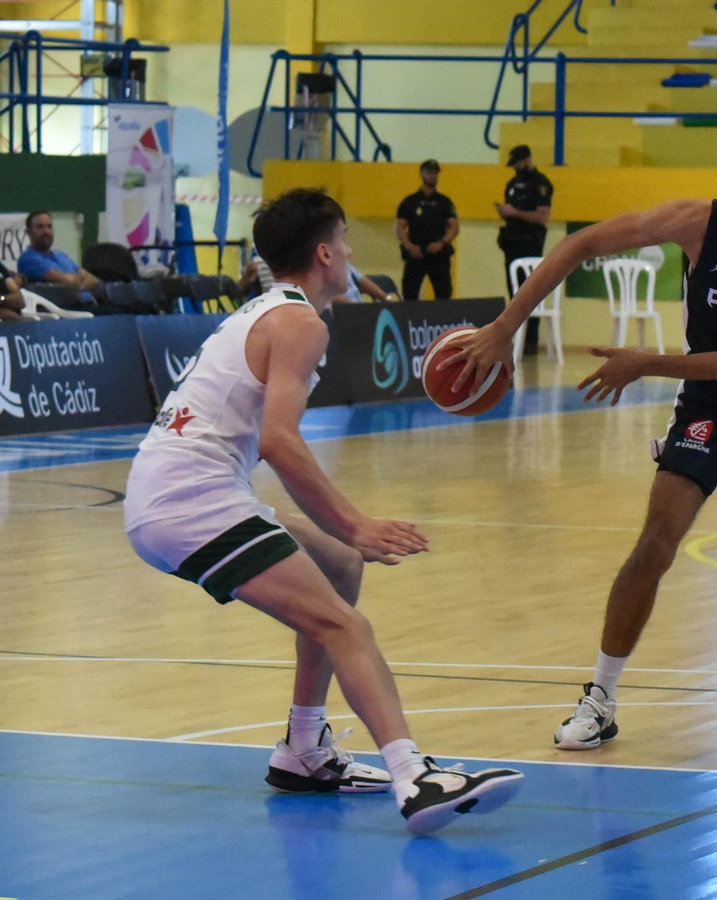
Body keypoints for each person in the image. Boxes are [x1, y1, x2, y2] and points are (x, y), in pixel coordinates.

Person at [444, 102, 717, 750]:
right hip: (709, 406)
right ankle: (601, 697)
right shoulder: (698, 223)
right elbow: (584, 243)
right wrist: (506, 325)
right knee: (654, 544)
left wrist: (646, 362)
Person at [122, 187, 522, 836]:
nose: (354, 253)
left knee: (338, 567)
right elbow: (279, 441)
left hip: (184, 493)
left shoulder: (272, 312)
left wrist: (343, 537)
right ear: (324, 252)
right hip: (188, 503)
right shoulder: (301, 323)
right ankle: (413, 777)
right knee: (347, 626)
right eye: (346, 241)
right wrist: (354, 521)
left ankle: (303, 750)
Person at [497, 144, 553, 354]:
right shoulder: (512, 183)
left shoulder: (541, 184)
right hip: (512, 243)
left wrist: (515, 212)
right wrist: (506, 213)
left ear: (527, 160)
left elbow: (542, 216)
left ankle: (530, 343)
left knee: (531, 292)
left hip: (531, 244)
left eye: (518, 163)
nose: (515, 168)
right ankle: (514, 341)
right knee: (514, 293)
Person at [395, 160, 458, 300]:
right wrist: (409, 246)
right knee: (410, 294)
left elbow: (454, 227)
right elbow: (400, 227)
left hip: (438, 254)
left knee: (444, 295)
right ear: (422, 174)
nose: (433, 176)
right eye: (429, 172)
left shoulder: (444, 202)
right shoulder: (410, 202)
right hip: (416, 254)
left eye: (435, 173)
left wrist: (441, 243)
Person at [19, 210, 103, 294]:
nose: (46, 231)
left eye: (49, 226)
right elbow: (67, 282)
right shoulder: (28, 259)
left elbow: (93, 279)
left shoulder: (60, 255)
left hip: (90, 303)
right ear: (29, 232)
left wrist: (78, 282)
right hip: (65, 305)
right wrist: (81, 280)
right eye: (40, 227)